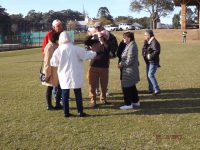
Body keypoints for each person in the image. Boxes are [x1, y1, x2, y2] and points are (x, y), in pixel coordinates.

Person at [50, 31, 97, 117]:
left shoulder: (58, 50)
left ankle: (66, 112)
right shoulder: (76, 48)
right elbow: (86, 55)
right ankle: (80, 112)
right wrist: (95, 53)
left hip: (64, 75)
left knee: (65, 93)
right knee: (78, 93)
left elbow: (53, 63)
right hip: (76, 74)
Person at [85, 32, 110, 108]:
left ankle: (103, 99)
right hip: (93, 66)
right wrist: (91, 35)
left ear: (104, 37)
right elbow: (86, 42)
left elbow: (108, 50)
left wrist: (103, 42)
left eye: (101, 36)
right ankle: (93, 101)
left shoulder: (107, 43)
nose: (99, 37)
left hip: (104, 67)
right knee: (92, 85)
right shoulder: (94, 42)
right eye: (99, 36)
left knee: (104, 85)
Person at [93, 22, 118, 96]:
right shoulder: (94, 35)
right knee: (95, 74)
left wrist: (111, 53)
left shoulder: (107, 34)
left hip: (105, 57)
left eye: (98, 27)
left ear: (102, 26)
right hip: (95, 57)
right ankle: (97, 90)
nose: (97, 29)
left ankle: (105, 90)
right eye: (95, 27)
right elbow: (89, 44)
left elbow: (113, 45)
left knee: (104, 74)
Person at [42, 19, 63, 101]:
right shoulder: (49, 35)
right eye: (58, 26)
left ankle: (59, 99)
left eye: (60, 25)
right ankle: (53, 101)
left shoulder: (62, 33)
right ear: (54, 27)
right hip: (52, 62)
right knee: (51, 85)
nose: (60, 27)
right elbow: (45, 48)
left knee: (59, 84)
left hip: (60, 63)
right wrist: (45, 57)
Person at [118, 32, 140, 110]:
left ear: (129, 38)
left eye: (124, 37)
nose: (123, 39)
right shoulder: (130, 45)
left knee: (126, 86)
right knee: (132, 86)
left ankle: (128, 104)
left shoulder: (132, 46)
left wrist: (121, 64)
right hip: (129, 69)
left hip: (129, 70)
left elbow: (129, 60)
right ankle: (135, 101)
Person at [143, 30, 161, 95]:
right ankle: (150, 89)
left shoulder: (154, 42)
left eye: (145, 35)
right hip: (149, 62)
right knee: (148, 76)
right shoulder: (148, 42)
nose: (144, 36)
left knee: (150, 75)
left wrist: (149, 56)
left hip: (153, 62)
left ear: (149, 35)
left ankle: (157, 89)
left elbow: (156, 51)